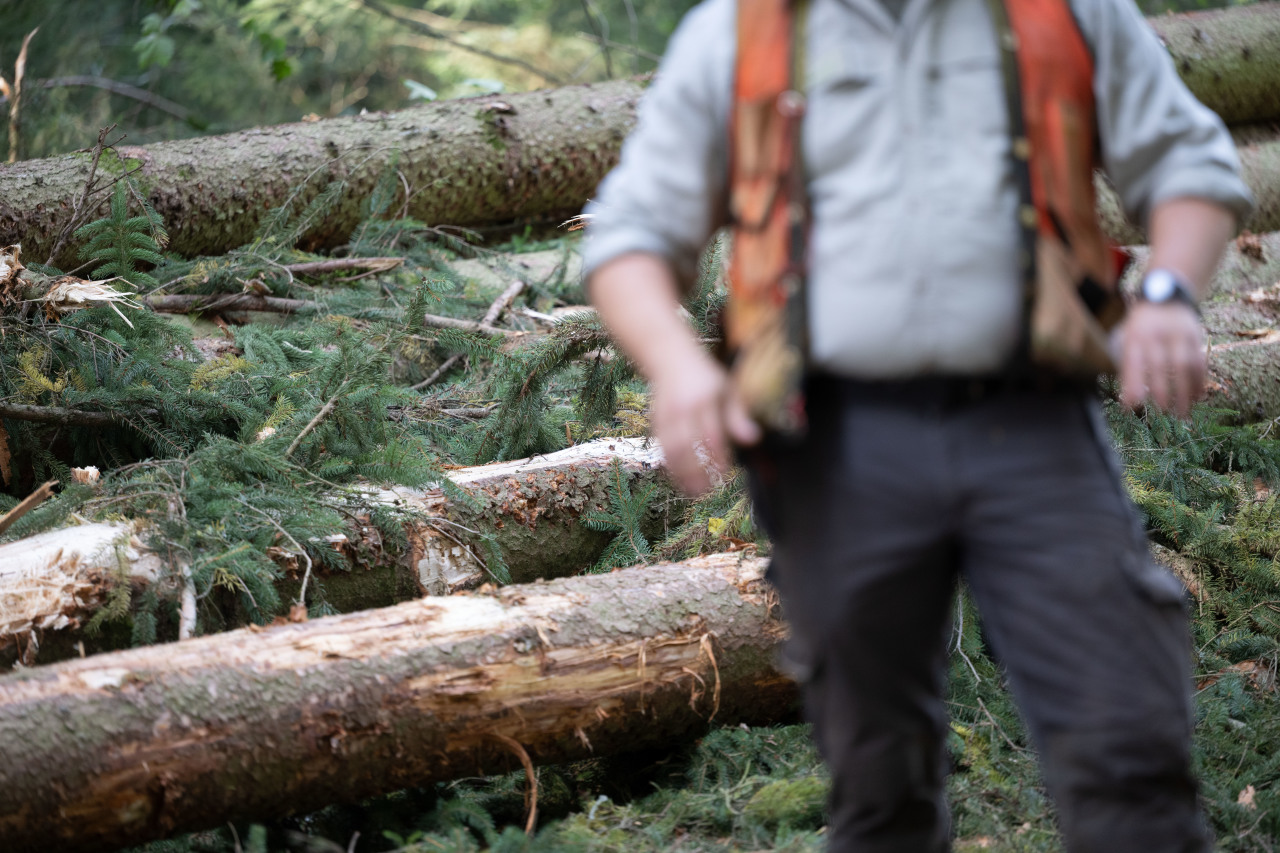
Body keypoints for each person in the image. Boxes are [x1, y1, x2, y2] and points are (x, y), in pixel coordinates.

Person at [583, 0, 1254, 849]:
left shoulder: (1065, 12)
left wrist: (1169, 292)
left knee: (1128, 742)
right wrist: (677, 368)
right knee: (876, 781)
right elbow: (631, 233)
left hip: (1036, 428)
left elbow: (1190, 163)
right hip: (835, 448)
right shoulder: (743, 29)